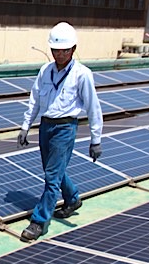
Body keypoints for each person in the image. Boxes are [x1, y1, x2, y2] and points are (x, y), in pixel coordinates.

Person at [16, 22, 103, 242]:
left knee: (51, 178)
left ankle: (39, 222)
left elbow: (93, 107)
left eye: (64, 50)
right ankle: (72, 198)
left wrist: (96, 139)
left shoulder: (82, 75)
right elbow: (35, 99)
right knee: (52, 170)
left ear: (73, 49)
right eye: (55, 50)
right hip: (46, 126)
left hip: (65, 128)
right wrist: (25, 126)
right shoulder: (45, 70)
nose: (59, 54)